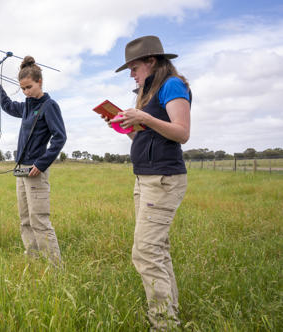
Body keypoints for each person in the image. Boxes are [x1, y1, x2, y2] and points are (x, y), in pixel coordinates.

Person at [109, 35, 191, 331]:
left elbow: (181, 132)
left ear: (151, 61)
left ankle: (163, 325)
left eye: (134, 68)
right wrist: (128, 128)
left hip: (163, 178)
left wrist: (143, 116)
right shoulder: (147, 90)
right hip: (144, 178)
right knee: (158, 249)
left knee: (144, 251)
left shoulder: (172, 85)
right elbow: (149, 136)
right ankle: (170, 316)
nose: (132, 74)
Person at [0, 56, 66, 265]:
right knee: (25, 220)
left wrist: (41, 164)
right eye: (22, 89)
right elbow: (7, 105)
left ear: (40, 82)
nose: (26, 92)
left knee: (39, 220)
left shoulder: (49, 106)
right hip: (21, 171)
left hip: (35, 171)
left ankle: (55, 268)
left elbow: (60, 138)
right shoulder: (26, 108)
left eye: (29, 87)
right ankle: (33, 261)